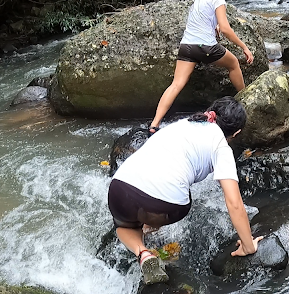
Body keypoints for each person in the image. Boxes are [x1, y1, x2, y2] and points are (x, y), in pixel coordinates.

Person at [108, 96, 264, 285]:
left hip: (119, 188)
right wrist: (248, 246)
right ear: (236, 132)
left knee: (123, 226)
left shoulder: (183, 124)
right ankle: (150, 224)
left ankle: (143, 252)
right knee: (176, 196)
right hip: (164, 203)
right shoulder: (221, 147)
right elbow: (234, 203)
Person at [147, 0, 254, 135]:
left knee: (176, 84)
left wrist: (214, 26)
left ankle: (154, 124)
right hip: (205, 47)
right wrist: (244, 47)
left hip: (187, 46)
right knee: (233, 64)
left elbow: (204, 18)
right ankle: (246, 101)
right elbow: (225, 29)